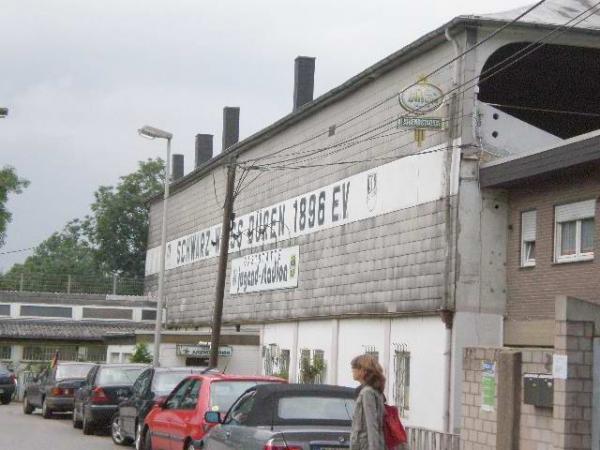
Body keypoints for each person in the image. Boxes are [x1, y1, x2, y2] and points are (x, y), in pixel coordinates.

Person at [350, 354, 386, 450]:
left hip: (364, 446)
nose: (352, 370)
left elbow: (372, 424)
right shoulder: (373, 391)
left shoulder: (367, 392)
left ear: (363, 370)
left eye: (354, 367)